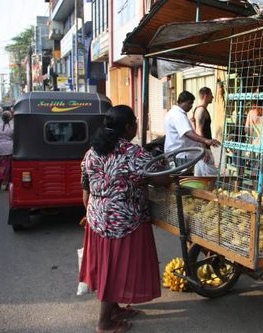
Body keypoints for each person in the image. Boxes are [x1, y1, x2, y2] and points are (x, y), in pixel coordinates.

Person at [79, 105, 170, 333]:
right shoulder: (133, 153)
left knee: (107, 267)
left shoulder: (93, 151)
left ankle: (115, 309)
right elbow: (161, 181)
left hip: (97, 218)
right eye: (135, 122)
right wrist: (166, 168)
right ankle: (104, 323)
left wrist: (92, 212)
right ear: (129, 127)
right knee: (114, 269)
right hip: (123, 221)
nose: (137, 126)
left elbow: (85, 185)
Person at [164, 90, 220, 174]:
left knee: (181, 178)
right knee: (182, 179)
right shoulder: (178, 115)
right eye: (189, 103)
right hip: (180, 156)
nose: (191, 106)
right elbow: (189, 133)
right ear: (182, 102)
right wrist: (206, 141)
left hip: (180, 154)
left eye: (192, 103)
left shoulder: (174, 113)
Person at [191, 87, 218, 176]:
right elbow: (199, 130)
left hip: (200, 148)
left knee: (199, 178)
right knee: (212, 178)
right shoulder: (201, 110)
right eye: (211, 95)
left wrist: (211, 139)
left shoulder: (200, 109)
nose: (213, 97)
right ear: (205, 96)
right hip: (203, 148)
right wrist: (204, 150)